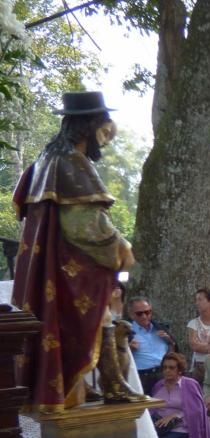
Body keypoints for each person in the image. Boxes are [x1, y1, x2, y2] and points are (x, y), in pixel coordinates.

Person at [11, 91, 138, 411]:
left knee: (93, 320)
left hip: (54, 267)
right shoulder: (69, 162)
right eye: (102, 130)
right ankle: (110, 384)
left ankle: (79, 385)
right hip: (72, 267)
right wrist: (120, 247)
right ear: (87, 127)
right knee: (99, 317)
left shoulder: (46, 160)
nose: (105, 139)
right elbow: (84, 223)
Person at [150, 352, 210, 438]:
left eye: (171, 368)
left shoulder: (190, 384)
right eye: (164, 367)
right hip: (161, 427)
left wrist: (176, 416)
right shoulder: (159, 385)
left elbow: (198, 411)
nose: (167, 370)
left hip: (183, 428)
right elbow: (151, 408)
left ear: (180, 370)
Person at [129, 297, 175, 395]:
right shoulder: (127, 332)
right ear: (131, 315)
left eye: (147, 312)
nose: (144, 316)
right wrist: (128, 349)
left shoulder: (160, 328)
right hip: (142, 377)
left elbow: (173, 351)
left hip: (163, 374)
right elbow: (118, 356)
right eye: (139, 313)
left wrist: (170, 342)